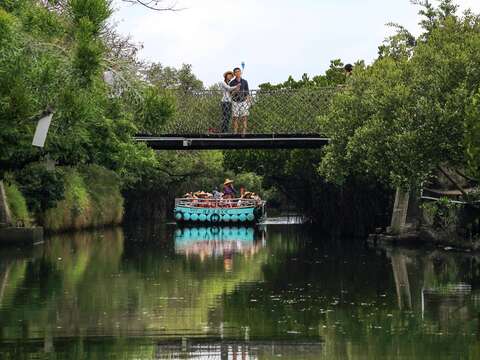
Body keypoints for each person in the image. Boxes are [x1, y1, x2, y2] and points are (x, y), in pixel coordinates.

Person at [229, 67, 250, 135]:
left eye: (239, 71)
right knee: (235, 118)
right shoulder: (232, 83)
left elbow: (247, 93)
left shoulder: (245, 81)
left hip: (243, 102)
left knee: (244, 118)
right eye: (236, 72)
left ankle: (244, 134)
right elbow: (230, 95)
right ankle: (235, 134)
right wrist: (236, 90)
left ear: (240, 72)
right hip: (235, 102)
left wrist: (248, 101)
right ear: (234, 74)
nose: (238, 73)